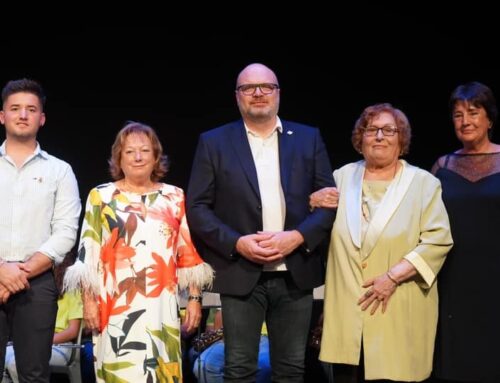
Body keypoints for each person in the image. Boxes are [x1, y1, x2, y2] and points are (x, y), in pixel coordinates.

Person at [187, 63, 336, 382]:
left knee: (291, 370)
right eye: (248, 88)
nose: (258, 93)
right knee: (239, 368)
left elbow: (329, 202)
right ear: (237, 96)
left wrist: (297, 236)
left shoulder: (308, 138)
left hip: (295, 272)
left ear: (278, 94)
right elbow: (197, 208)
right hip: (241, 272)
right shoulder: (214, 142)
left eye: (266, 87)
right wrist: (237, 242)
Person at [312, 103, 453, 382]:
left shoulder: (423, 183)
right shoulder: (340, 178)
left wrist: (392, 276)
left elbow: (438, 240)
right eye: (371, 130)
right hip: (348, 315)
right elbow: (319, 232)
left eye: (389, 130)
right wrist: (312, 203)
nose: (379, 136)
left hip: (398, 310)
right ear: (359, 139)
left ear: (401, 139)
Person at [63, 121, 214, 382]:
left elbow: (187, 253)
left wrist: (194, 299)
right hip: (114, 305)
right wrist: (89, 302)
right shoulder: (101, 197)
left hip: (161, 307)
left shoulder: (174, 196)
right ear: (118, 158)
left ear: (156, 157)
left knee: (161, 370)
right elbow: (89, 252)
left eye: (145, 150)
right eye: (129, 151)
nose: (138, 157)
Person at [0, 78, 81, 382]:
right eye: (15, 108)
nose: (23, 115)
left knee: (34, 373)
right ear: (2, 116)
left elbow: (65, 233)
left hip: (38, 283)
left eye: (31, 109)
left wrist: (18, 273)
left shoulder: (59, 170)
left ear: (41, 118)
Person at [432, 82, 500, 383]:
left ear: (490, 119)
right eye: (458, 115)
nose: (465, 121)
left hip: (496, 276)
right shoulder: (442, 165)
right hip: (453, 277)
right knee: (455, 357)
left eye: (473, 112)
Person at [3, 251, 83, 382]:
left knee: (17, 362)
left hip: (60, 345)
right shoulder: (34, 289)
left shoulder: (72, 289)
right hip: (30, 339)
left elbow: (72, 331)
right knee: (8, 356)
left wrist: (41, 341)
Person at [189, 309, 271, 383]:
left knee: (264, 363)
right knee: (204, 365)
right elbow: (217, 321)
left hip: (265, 335)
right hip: (233, 334)